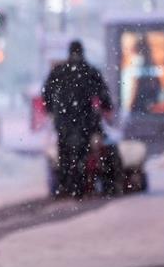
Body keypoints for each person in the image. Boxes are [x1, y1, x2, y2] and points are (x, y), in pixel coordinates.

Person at [42, 40, 113, 198]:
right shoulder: (90, 71)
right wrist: (106, 108)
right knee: (83, 151)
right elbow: (103, 94)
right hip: (85, 120)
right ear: (82, 52)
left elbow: (46, 92)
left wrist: (51, 110)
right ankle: (81, 185)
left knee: (64, 151)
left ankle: (65, 184)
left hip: (63, 121)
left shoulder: (58, 71)